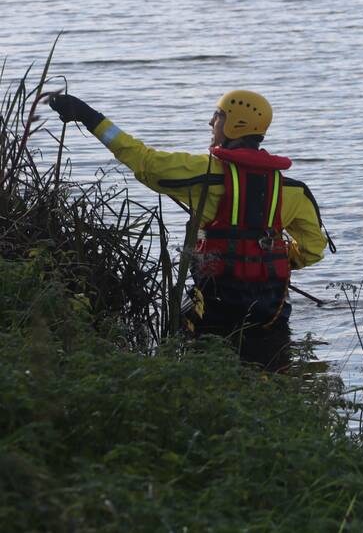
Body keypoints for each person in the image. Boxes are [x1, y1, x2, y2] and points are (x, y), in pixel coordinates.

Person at [49, 90, 333, 371]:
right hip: (270, 318)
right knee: (274, 383)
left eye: (218, 116)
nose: (211, 123)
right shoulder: (294, 191)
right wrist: (268, 260)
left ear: (236, 125)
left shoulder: (203, 174)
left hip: (213, 314)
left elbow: (143, 161)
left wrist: (88, 117)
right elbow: (312, 250)